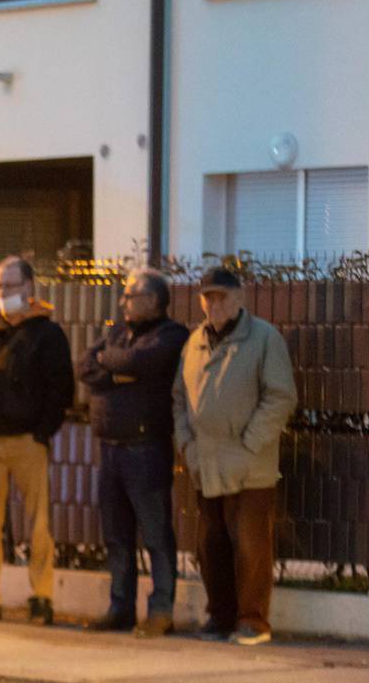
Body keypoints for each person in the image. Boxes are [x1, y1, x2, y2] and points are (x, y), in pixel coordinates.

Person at [174, 266, 298, 645]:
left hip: (249, 466)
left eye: (222, 297)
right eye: (208, 298)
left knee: (251, 546)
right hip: (206, 464)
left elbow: (281, 396)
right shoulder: (194, 342)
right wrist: (188, 447)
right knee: (211, 546)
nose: (214, 304)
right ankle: (220, 616)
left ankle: (252, 620)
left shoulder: (263, 338)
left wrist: (249, 443)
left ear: (240, 298)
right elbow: (179, 399)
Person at [0, 255, 74, 625]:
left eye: (10, 286)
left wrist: (41, 432)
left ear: (28, 288)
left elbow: (61, 389)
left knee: (39, 525)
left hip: (27, 439)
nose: (3, 293)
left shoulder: (47, 333)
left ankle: (42, 597)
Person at [77, 268, 189, 637]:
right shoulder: (118, 333)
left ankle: (160, 611)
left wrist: (114, 365)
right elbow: (84, 365)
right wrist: (117, 370)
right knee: (116, 534)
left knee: (155, 532)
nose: (124, 302)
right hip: (110, 446)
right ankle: (120, 607)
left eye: (132, 296)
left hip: (146, 446)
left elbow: (138, 363)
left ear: (154, 300)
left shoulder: (170, 335)